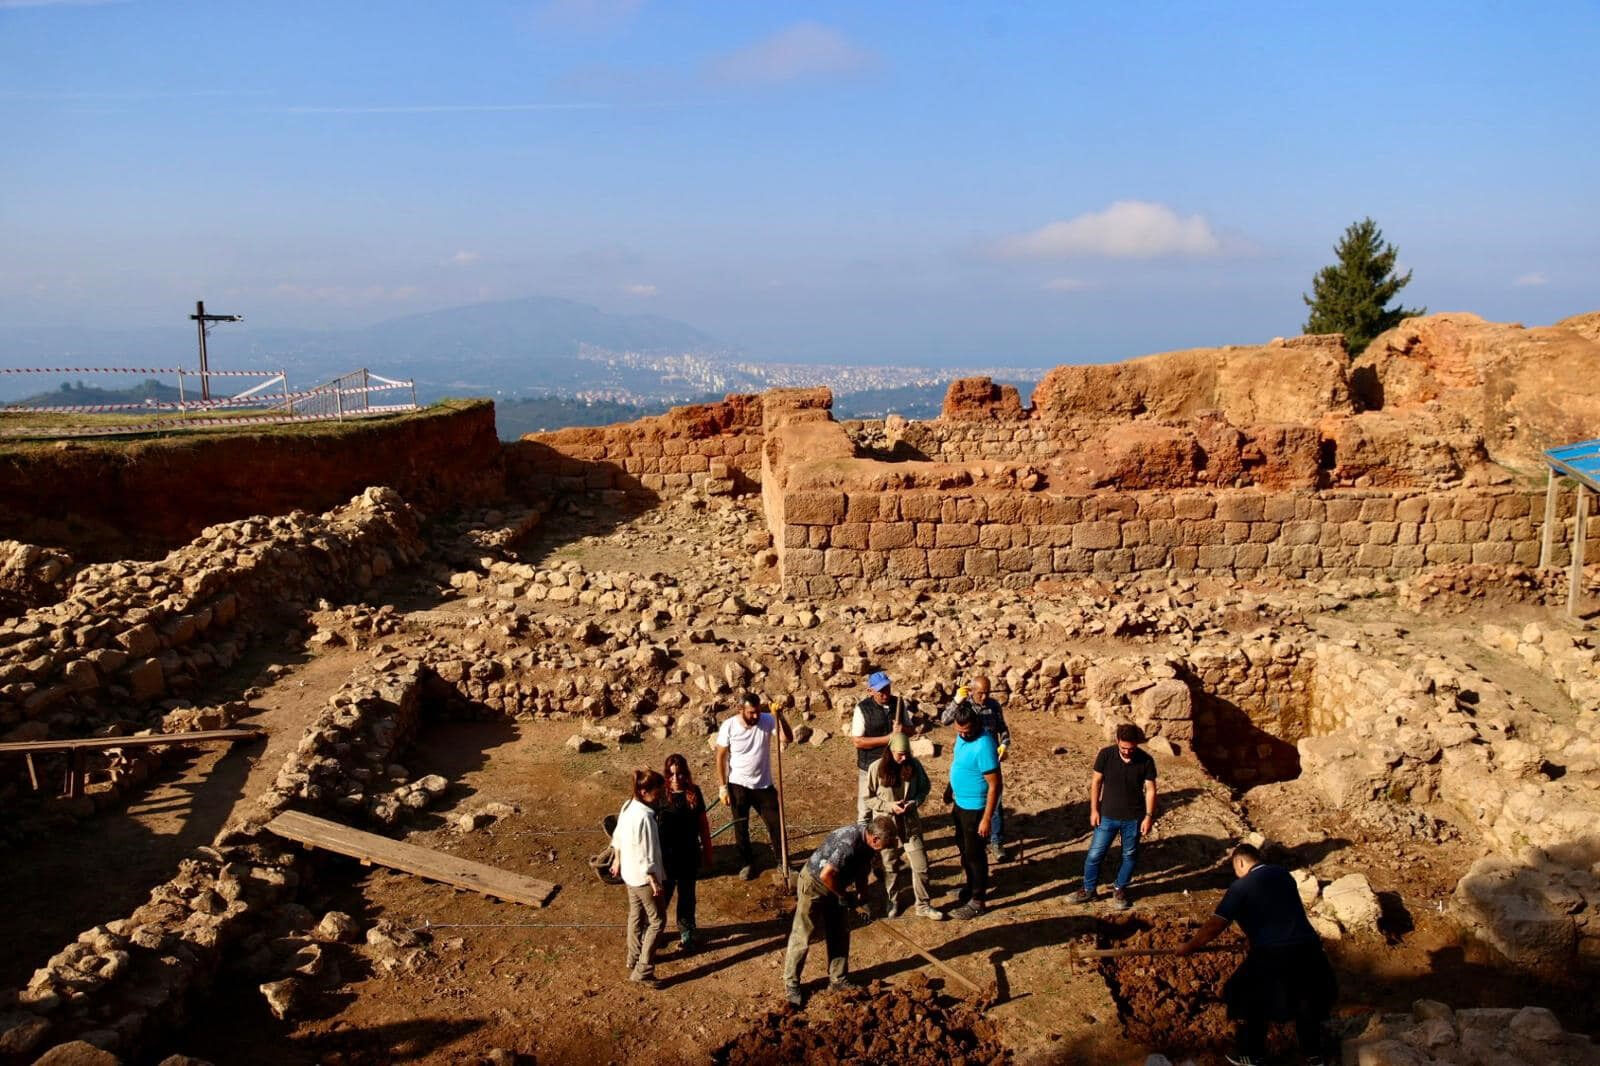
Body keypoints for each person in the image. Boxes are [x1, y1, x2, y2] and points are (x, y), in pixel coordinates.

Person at [1177, 843, 1337, 1066]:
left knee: (1241, 994)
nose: (1236, 873)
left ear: (1240, 862)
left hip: (1274, 953)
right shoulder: (1283, 875)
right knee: (1305, 1000)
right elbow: (1273, 908)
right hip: (1308, 947)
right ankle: (1314, 1055)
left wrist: (1189, 946)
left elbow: (1215, 925)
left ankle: (1252, 1053)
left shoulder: (1240, 887)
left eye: (1235, 868)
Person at [781, 814, 899, 1009]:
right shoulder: (849, 843)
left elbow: (862, 870)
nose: (885, 849)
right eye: (884, 845)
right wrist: (843, 896)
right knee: (803, 934)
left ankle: (838, 979)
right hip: (815, 884)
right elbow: (826, 875)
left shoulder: (869, 845)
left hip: (837, 885)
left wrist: (862, 897)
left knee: (840, 932)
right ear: (875, 838)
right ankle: (791, 984)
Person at [1071, 723, 1157, 911]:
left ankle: (1120, 888)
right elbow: (1096, 782)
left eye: (1131, 748)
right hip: (1107, 816)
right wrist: (1094, 810)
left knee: (1129, 854)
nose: (1127, 752)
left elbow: (1150, 789)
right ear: (1117, 741)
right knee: (1095, 854)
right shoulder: (1106, 755)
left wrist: (1148, 816)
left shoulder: (1146, 760)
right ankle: (1089, 889)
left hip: (1133, 818)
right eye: (1124, 748)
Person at [864, 734, 944, 921]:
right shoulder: (876, 768)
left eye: (907, 754)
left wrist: (914, 802)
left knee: (921, 865)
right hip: (885, 826)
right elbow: (868, 798)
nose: (904, 758)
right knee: (889, 865)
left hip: (909, 823)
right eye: (900, 754)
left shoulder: (914, 766)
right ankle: (892, 900)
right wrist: (889, 806)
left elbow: (925, 788)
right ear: (890, 752)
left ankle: (923, 905)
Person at [716, 692, 793, 880]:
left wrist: (779, 717)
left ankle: (783, 863)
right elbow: (720, 757)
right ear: (740, 710)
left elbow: (787, 738)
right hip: (738, 785)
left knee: (776, 825)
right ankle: (747, 863)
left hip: (764, 785)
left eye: (758, 711)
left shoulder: (767, 720)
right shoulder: (729, 726)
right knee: (741, 827)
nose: (756, 716)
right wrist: (722, 786)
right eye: (751, 713)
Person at [608, 768, 668, 989]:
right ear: (644, 791)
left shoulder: (628, 806)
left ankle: (632, 957)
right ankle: (643, 969)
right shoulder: (645, 818)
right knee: (657, 921)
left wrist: (617, 858)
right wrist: (653, 879)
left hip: (629, 875)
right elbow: (647, 853)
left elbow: (618, 836)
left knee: (635, 915)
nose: (660, 795)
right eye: (657, 792)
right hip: (643, 878)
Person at [942, 675, 1012, 862]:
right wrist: (956, 701)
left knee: (995, 799)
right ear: (972, 691)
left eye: (987, 692)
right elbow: (945, 720)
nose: (984, 696)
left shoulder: (993, 706)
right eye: (981, 693)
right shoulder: (965, 706)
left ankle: (996, 841)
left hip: (989, 759)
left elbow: (1003, 728)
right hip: (970, 760)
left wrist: (1004, 744)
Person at [946, 703, 1001, 919]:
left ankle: (978, 900)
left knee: (975, 855)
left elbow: (995, 785)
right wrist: (950, 788)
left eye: (966, 730)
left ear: (976, 723)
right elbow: (959, 763)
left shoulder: (985, 745)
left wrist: (987, 819)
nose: (963, 735)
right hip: (960, 805)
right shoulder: (962, 738)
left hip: (976, 810)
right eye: (959, 731)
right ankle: (969, 888)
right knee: (965, 851)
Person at [658, 753, 714, 951]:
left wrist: (708, 852)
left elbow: (703, 826)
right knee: (662, 897)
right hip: (666, 857)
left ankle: (687, 933)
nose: (675, 779)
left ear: (686, 773)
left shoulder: (694, 792)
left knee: (687, 896)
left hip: (689, 854)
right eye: (671, 774)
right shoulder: (661, 795)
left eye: (679, 774)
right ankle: (655, 932)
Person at [852, 671, 912, 821]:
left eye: (887, 688)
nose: (885, 694)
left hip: (893, 765)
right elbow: (858, 741)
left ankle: (889, 833)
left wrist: (902, 729)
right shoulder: (862, 708)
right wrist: (888, 739)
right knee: (865, 808)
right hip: (869, 765)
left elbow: (911, 730)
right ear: (870, 691)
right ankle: (864, 836)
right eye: (881, 691)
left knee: (891, 803)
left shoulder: (898, 703)